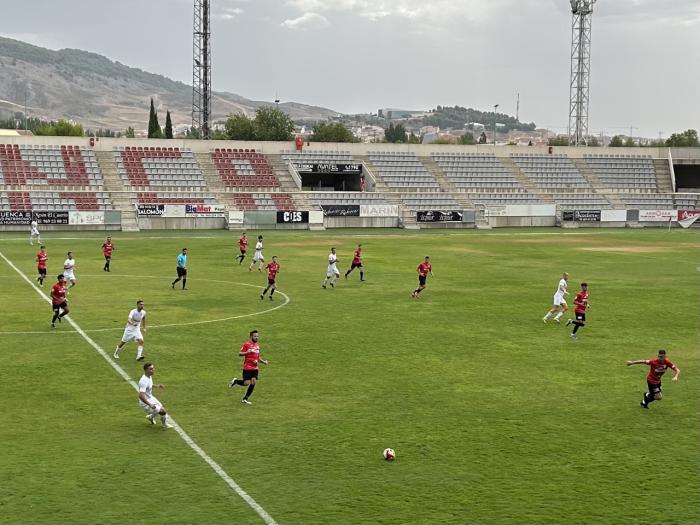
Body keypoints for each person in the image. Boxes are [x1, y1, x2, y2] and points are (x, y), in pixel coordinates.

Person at [229, 330, 269, 405]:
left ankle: (245, 398)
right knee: (246, 383)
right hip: (247, 368)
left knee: (253, 382)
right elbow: (240, 353)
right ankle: (236, 381)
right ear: (251, 337)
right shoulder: (246, 344)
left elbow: (257, 357)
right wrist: (247, 352)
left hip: (255, 368)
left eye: (257, 336)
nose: (256, 337)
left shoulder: (258, 346)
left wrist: (263, 362)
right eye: (255, 336)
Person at [138, 363, 173, 429]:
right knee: (163, 412)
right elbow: (140, 395)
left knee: (162, 409)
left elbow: (149, 385)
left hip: (151, 398)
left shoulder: (149, 376)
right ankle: (164, 424)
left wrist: (158, 386)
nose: (153, 370)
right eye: (151, 369)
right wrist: (150, 404)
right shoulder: (143, 381)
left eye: (153, 368)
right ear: (146, 370)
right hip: (145, 403)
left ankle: (150, 417)